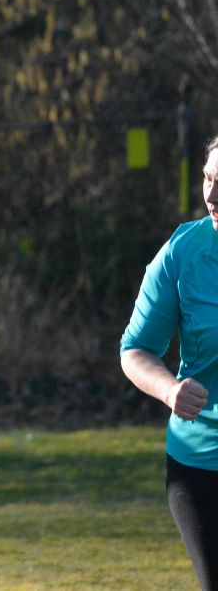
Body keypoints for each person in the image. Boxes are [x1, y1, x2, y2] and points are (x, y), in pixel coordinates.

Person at [121, 135, 218, 589]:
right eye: (208, 179)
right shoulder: (182, 253)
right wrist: (169, 389)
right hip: (200, 465)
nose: (212, 196)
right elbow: (135, 349)